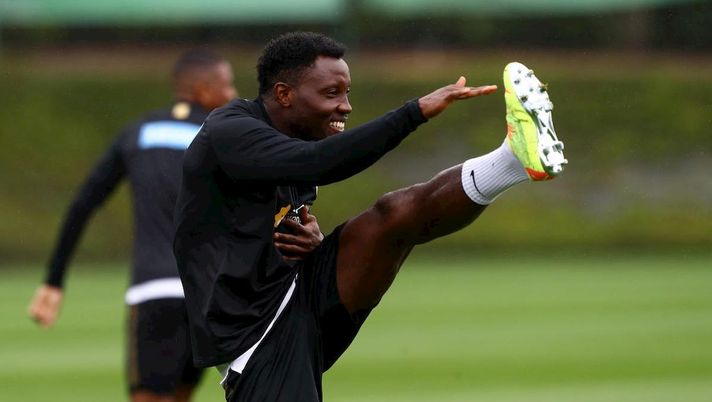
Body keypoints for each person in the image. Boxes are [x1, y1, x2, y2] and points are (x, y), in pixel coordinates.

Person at [173, 32, 567, 402]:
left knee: (392, 216)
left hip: (298, 291)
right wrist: (412, 113)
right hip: (256, 334)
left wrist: (314, 244)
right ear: (284, 94)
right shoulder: (231, 131)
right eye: (331, 93)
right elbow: (318, 163)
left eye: (346, 93)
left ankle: (512, 159)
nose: (345, 106)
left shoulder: (298, 137)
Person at [27, 48, 324, 402]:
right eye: (227, 85)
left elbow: (83, 204)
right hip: (211, 294)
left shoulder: (137, 132)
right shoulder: (228, 139)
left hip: (155, 291)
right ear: (203, 90)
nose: (233, 94)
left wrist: (54, 280)